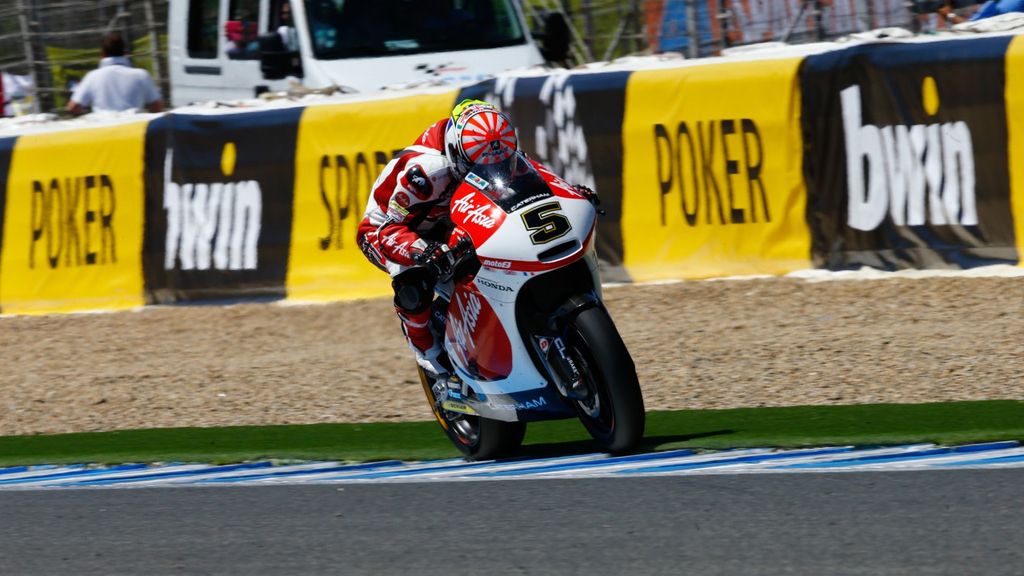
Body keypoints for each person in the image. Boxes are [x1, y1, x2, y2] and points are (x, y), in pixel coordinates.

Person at [356, 99, 597, 377]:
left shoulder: (495, 148)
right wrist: (424, 251)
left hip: (448, 216)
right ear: (456, 153)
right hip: (392, 228)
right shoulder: (425, 172)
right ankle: (424, 346)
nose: (493, 169)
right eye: (478, 167)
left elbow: (538, 176)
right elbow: (389, 231)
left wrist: (572, 194)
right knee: (415, 279)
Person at [66, 32, 163, 115]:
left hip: (104, 131)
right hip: (134, 131)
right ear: (124, 52)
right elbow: (157, 106)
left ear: (102, 54)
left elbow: (73, 107)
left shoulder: (92, 76)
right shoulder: (141, 75)